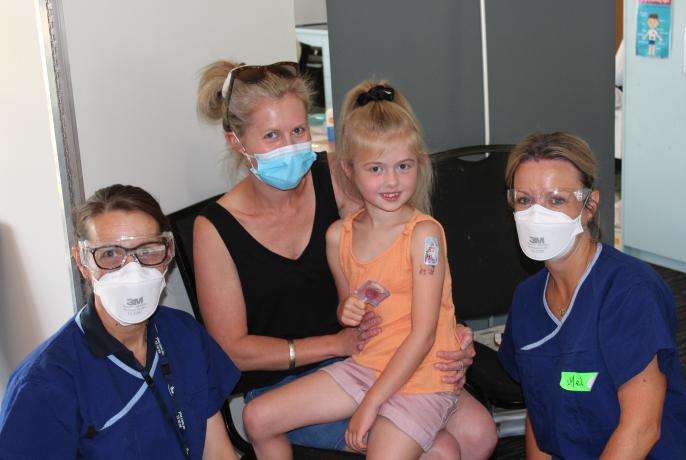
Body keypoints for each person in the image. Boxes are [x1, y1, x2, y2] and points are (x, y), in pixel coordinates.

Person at [194, 61, 496, 457]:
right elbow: (232, 349)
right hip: (300, 373)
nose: (291, 146)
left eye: (299, 130)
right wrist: (334, 344)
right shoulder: (214, 228)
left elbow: (398, 267)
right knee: (439, 448)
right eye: (272, 135)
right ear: (237, 141)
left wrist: (450, 334)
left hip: (374, 350)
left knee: (479, 434)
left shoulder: (335, 177)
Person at [244, 81, 461, 459]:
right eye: (376, 168)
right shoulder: (338, 237)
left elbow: (424, 335)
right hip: (368, 364)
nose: (391, 181)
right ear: (350, 170)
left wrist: (371, 405)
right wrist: (348, 311)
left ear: (419, 164)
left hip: (421, 375)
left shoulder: (424, 236)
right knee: (257, 417)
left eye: (403, 166)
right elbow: (349, 309)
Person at [497, 132, 686, 459]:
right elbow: (539, 417)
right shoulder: (527, 300)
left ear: (589, 206)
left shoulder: (629, 290)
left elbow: (641, 428)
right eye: (525, 200)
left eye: (556, 200)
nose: (537, 215)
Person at [0, 184, 240, 459]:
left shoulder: (183, 335)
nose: (132, 270)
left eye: (148, 250)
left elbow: (218, 451)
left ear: (168, 252)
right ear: (82, 262)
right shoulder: (46, 384)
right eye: (111, 254)